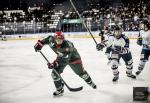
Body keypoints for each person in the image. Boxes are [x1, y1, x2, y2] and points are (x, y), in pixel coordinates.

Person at [34, 31, 97, 96]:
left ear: (63, 39)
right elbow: (45, 41)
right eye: (57, 39)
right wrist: (39, 44)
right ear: (54, 38)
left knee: (82, 74)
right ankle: (60, 89)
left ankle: (90, 82)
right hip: (61, 58)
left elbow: (64, 59)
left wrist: (54, 64)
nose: (59, 41)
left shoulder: (67, 47)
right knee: (54, 74)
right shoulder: (51, 39)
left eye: (61, 39)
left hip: (73, 59)